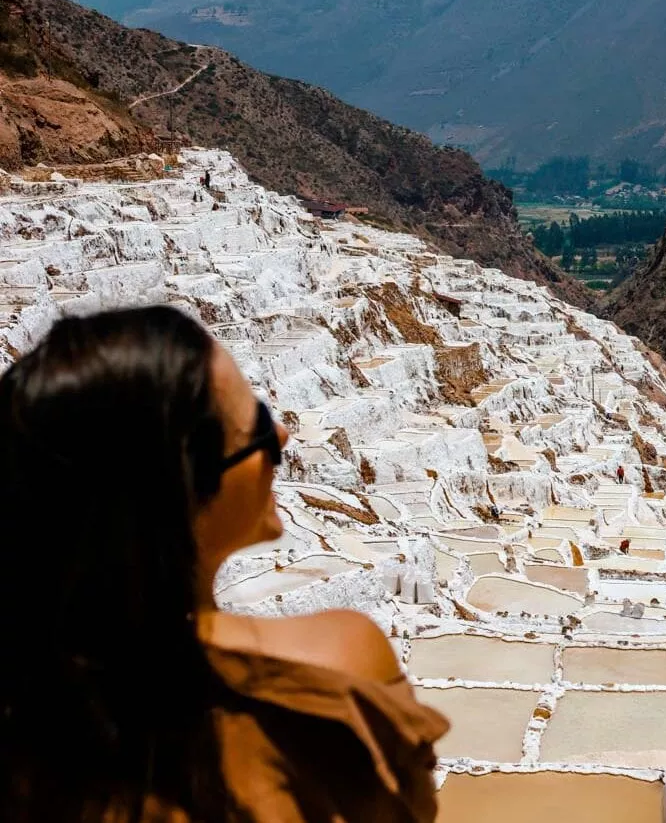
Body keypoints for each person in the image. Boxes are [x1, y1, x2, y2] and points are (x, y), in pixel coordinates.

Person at [0, 306, 447, 823]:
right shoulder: (334, 667)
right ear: (180, 493)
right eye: (255, 425)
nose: (280, 434)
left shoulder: (32, 732)